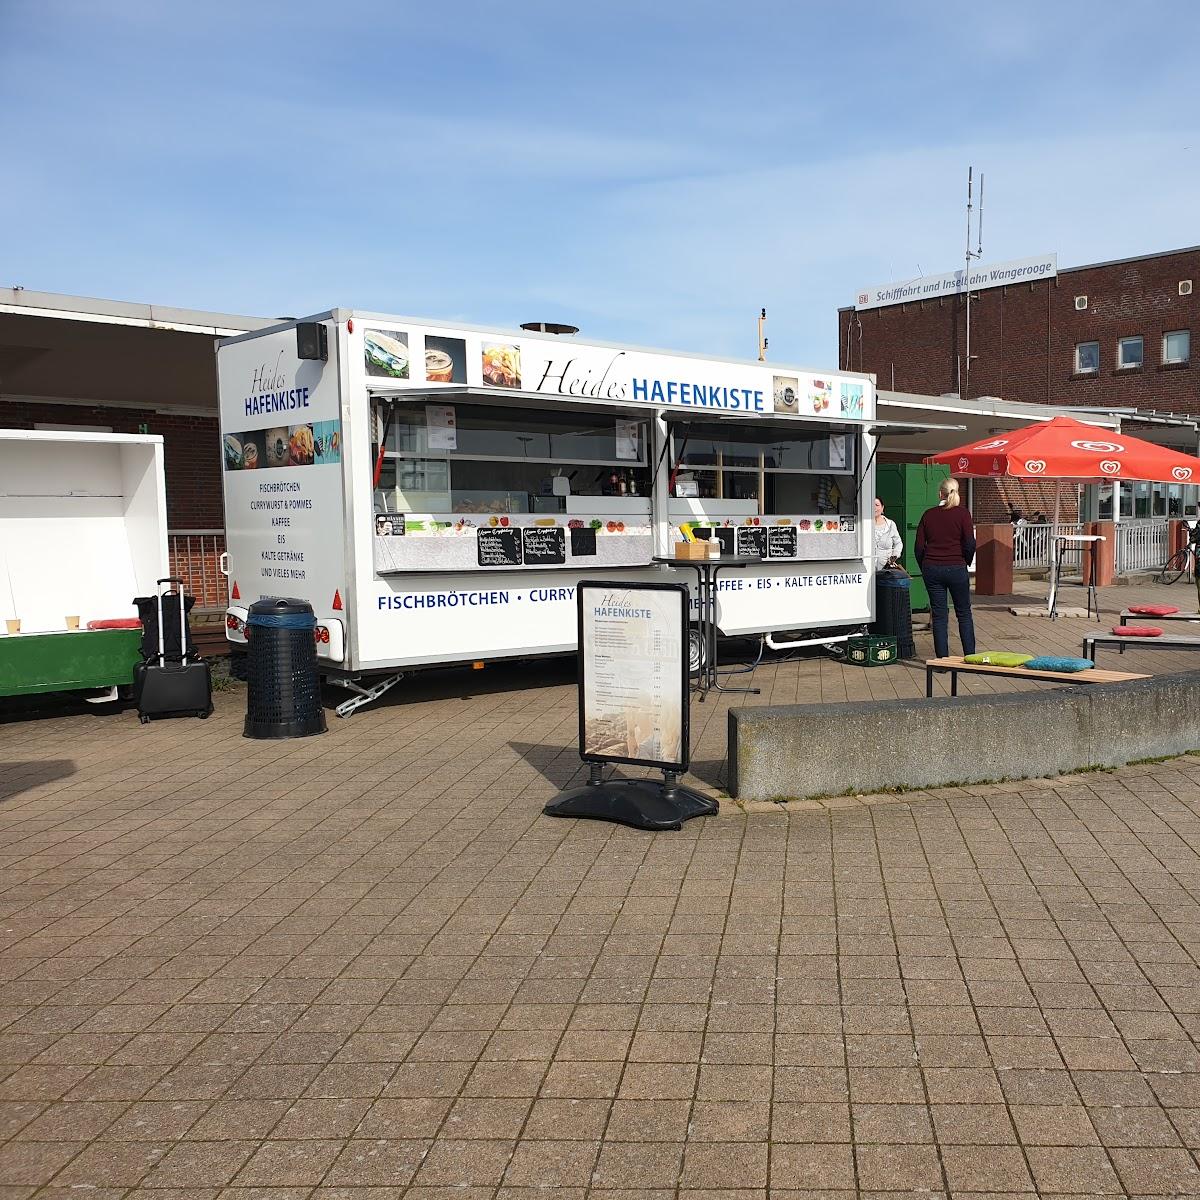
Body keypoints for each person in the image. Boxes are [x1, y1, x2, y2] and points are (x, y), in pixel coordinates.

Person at [915, 477, 976, 658]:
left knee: (940, 616)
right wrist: (966, 560)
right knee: (963, 613)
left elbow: (918, 546)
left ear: (940, 493)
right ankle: (970, 657)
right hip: (957, 567)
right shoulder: (963, 514)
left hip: (932, 568)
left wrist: (924, 565)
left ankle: (942, 660)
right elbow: (970, 543)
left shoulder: (928, 514)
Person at [872, 498, 903, 569]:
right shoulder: (865, 525)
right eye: (871, 505)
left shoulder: (891, 524)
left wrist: (895, 555)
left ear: (882, 507)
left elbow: (898, 543)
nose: (874, 508)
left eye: (877, 505)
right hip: (867, 568)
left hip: (886, 568)